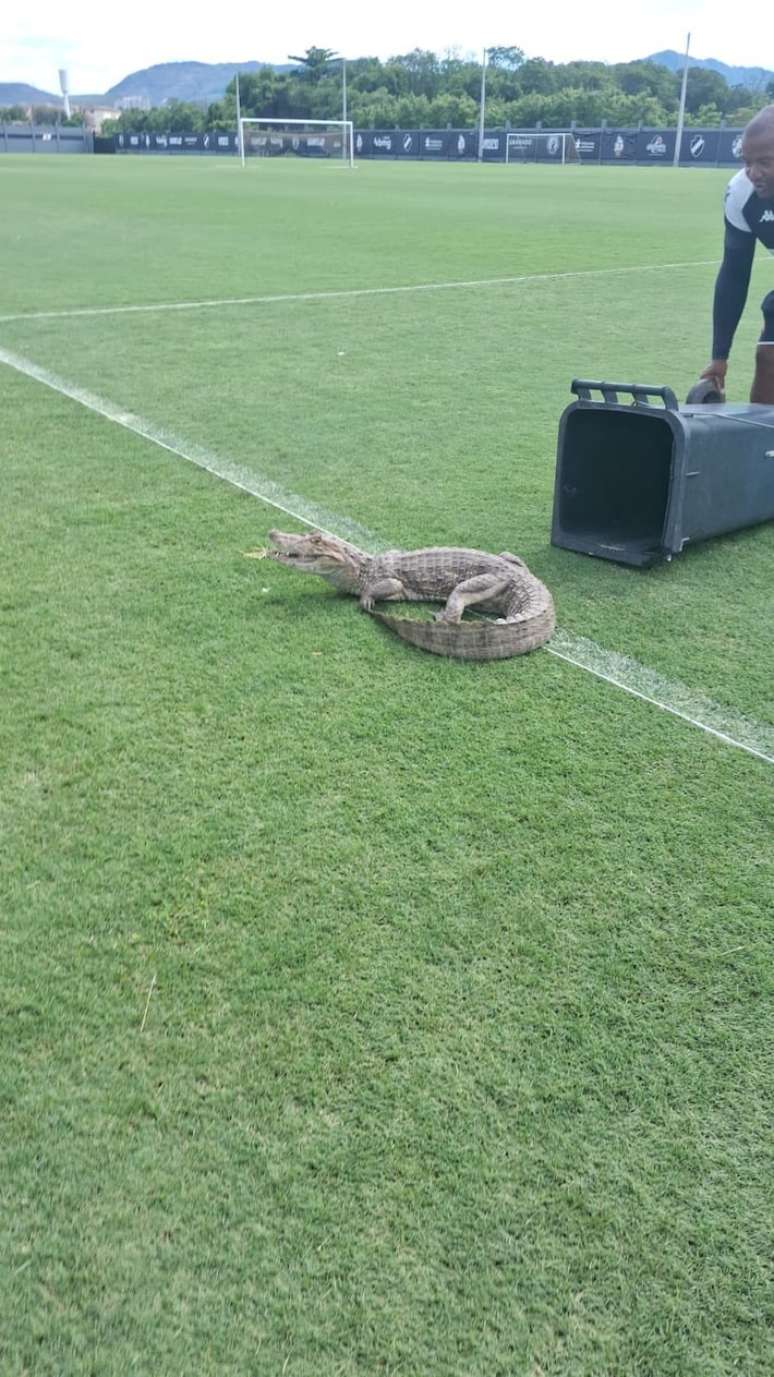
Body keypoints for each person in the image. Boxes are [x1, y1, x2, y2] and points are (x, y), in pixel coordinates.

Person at [700, 105, 774, 404]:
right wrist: (719, 357)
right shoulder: (741, 193)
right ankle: (763, 447)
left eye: (765, 162)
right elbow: (734, 272)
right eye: (747, 162)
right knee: (768, 357)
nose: (754, 173)